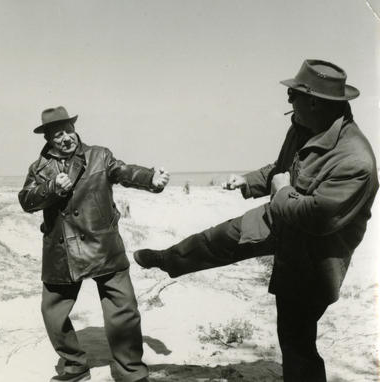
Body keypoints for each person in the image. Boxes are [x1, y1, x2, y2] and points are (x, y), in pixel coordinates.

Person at [133, 59, 379, 381]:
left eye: (293, 93)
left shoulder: (356, 161)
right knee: (218, 238)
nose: (288, 101)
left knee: (295, 339)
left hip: (315, 257)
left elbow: (316, 218)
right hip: (281, 219)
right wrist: (248, 181)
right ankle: (169, 260)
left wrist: (281, 192)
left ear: (315, 101)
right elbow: (283, 167)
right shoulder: (304, 126)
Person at [18, 106, 170, 382]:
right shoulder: (39, 168)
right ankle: (75, 365)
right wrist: (51, 188)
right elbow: (26, 200)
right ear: (48, 139)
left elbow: (125, 172)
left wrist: (151, 179)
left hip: (103, 246)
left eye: (69, 130)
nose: (66, 138)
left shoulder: (99, 155)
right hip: (62, 252)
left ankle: (132, 373)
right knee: (52, 314)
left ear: (75, 129)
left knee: (123, 311)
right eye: (58, 134)